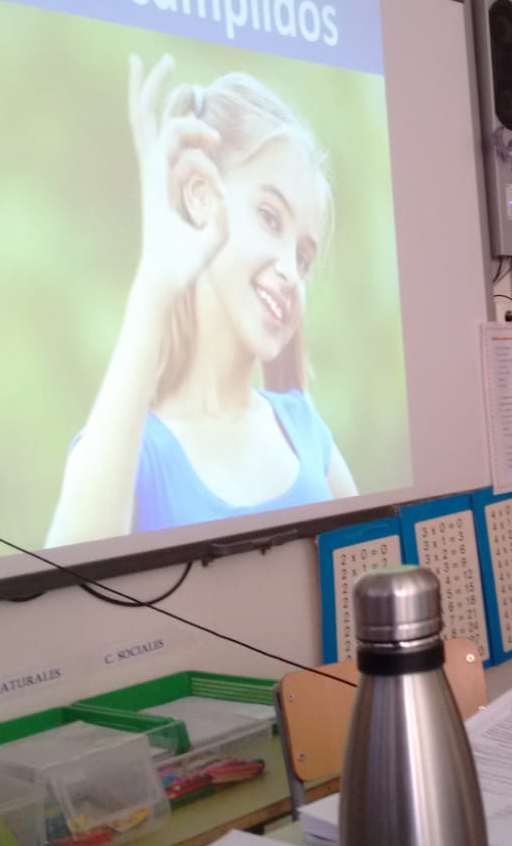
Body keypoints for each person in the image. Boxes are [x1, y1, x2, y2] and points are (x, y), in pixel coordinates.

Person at [46, 55, 356, 547]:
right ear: (200, 196)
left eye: (303, 257)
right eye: (271, 218)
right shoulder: (132, 451)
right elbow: (68, 577)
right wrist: (153, 286)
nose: (289, 272)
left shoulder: (305, 432)